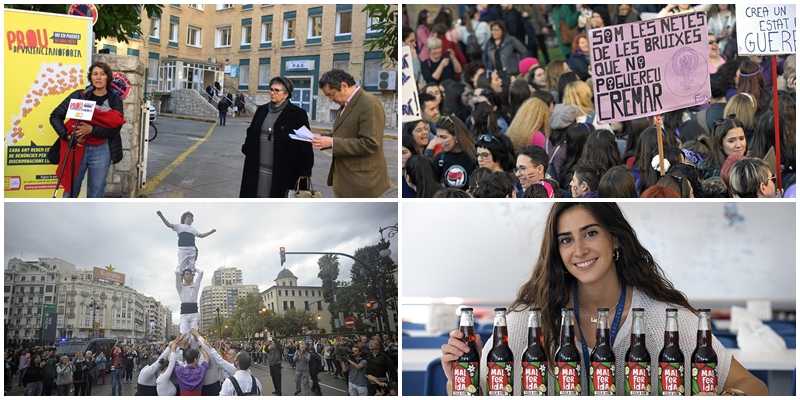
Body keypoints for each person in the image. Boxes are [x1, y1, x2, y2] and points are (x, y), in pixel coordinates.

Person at [440, 203, 769, 395]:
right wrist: (454, 380)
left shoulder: (665, 318)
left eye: (591, 233)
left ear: (615, 239)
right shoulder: (522, 322)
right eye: (566, 240)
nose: (579, 250)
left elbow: (757, 389)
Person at [49, 61, 125, 197]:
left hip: (102, 150)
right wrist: (66, 136)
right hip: (77, 148)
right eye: (95, 74)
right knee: (70, 191)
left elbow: (115, 128)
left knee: (96, 191)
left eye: (102, 74)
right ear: (91, 77)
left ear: (108, 77)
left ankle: (91, 217)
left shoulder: (114, 99)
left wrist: (92, 130)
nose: (99, 77)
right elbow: (55, 116)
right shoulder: (80, 95)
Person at [313, 69, 390, 197]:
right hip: (346, 179)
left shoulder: (369, 103)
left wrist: (332, 142)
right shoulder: (347, 103)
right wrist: (322, 138)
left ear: (343, 86)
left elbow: (370, 143)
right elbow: (344, 132)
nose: (331, 100)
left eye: (331, 95)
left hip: (361, 182)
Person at [239, 76, 314, 197]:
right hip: (256, 169)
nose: (272, 93)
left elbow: (305, 147)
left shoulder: (297, 114)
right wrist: (247, 148)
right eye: (271, 89)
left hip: (282, 173)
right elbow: (251, 132)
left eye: (276, 90)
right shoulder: (261, 110)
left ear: (286, 94)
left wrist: (305, 174)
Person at [433, 115, 477, 190]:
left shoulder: (474, 157)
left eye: (444, 137)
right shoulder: (439, 159)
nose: (439, 141)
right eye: (438, 136)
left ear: (456, 136)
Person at [176, 268, 204, 335]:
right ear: (183, 276)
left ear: (192, 276)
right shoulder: (180, 287)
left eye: (190, 274)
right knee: (184, 335)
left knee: (194, 337)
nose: (188, 276)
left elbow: (201, 272)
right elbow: (177, 272)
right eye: (186, 274)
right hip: (184, 315)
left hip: (194, 314)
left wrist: (193, 268)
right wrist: (182, 269)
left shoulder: (195, 286)